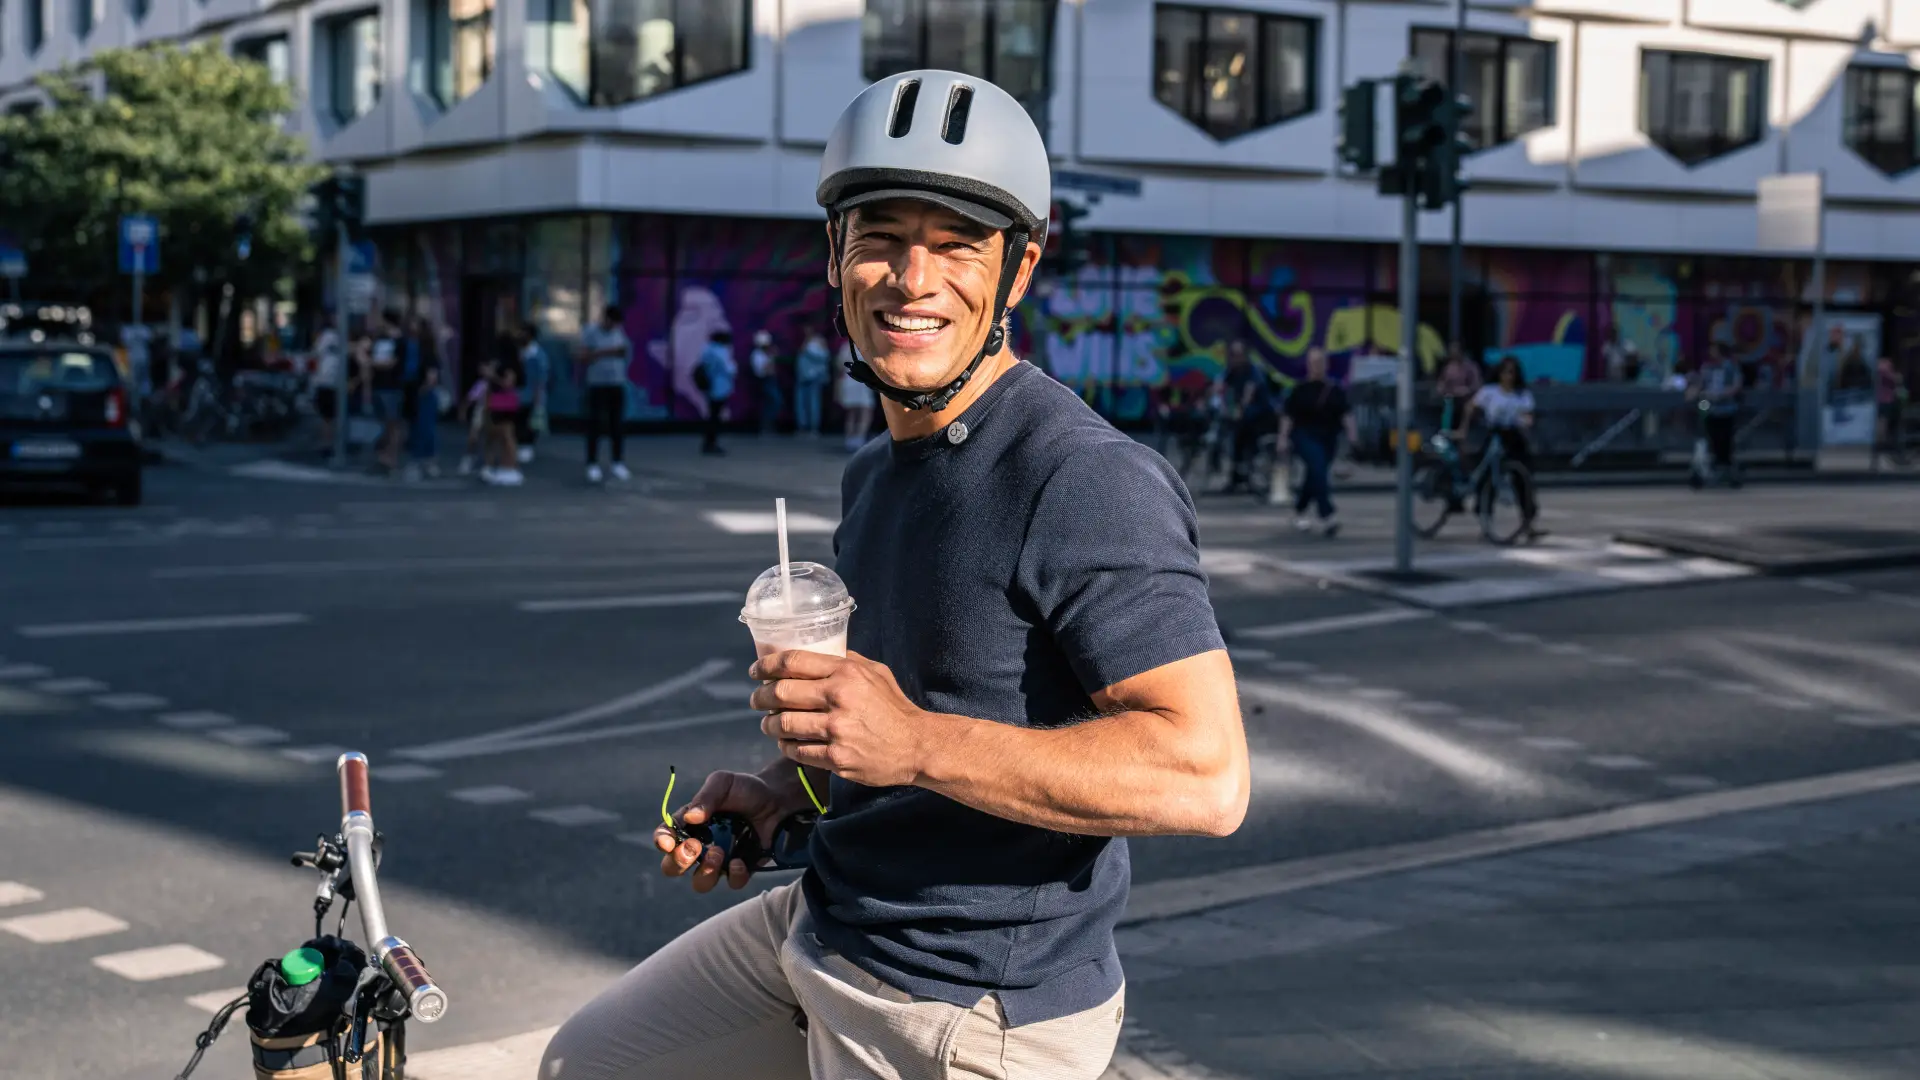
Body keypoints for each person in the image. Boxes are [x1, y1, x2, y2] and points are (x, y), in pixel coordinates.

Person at [540, 69, 1250, 1080]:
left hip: (965, 1000)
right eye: (880, 239)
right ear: (835, 258)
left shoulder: (1085, 479)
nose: (914, 280)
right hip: (831, 919)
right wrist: (785, 793)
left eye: (959, 244)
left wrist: (911, 743)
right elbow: (909, 720)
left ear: (1019, 271)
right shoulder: (877, 471)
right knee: (593, 1064)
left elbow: (1207, 776)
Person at [1456, 354, 1544, 539]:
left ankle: (1528, 522)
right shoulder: (1490, 391)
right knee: (1487, 476)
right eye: (1505, 372)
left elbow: (1528, 415)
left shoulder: (1522, 394)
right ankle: (1485, 521)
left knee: (1522, 478)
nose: (1508, 376)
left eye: (1512, 372)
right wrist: (1464, 429)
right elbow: (1470, 407)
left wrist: (1525, 421)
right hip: (1494, 434)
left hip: (1513, 435)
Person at [1280, 346, 1358, 537]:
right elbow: (1288, 416)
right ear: (1308, 365)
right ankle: (1328, 515)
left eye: (1320, 362)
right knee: (1317, 468)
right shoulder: (1300, 390)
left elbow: (1346, 415)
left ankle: (1299, 510)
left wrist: (1353, 436)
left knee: (1315, 475)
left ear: (1326, 364)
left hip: (1328, 438)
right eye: (1313, 363)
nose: (1317, 366)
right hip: (1304, 436)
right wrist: (1282, 439)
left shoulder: (1334, 390)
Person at [579, 305, 632, 483]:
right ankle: (592, 463)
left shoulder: (619, 332)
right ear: (605, 319)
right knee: (595, 424)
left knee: (617, 424)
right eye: (611, 323)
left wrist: (619, 352)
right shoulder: (591, 332)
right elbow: (583, 356)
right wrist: (606, 352)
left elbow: (625, 352)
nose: (613, 327)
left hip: (617, 383)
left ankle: (617, 462)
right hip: (597, 384)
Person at [1688, 342, 1744, 484]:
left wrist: (1722, 394)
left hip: (1727, 409)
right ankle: (1712, 466)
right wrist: (1695, 393)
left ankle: (1727, 468)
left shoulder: (1730, 367)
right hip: (1711, 409)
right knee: (1710, 437)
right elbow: (1701, 384)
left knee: (1726, 440)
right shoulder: (1708, 368)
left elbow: (1737, 385)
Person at [698, 327, 737, 456]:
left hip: (710, 386)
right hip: (720, 386)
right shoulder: (721, 351)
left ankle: (708, 442)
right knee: (715, 417)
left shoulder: (707, 350)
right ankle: (712, 443)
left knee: (712, 415)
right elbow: (729, 369)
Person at [516, 322, 550, 465]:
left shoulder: (538, 354)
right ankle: (520, 445)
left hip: (532, 392)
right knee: (520, 419)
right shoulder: (520, 351)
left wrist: (538, 394)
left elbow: (541, 377)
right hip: (519, 393)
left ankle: (527, 446)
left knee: (531, 420)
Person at [835, 335, 874, 451]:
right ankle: (859, 439)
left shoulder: (845, 347)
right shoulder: (867, 347)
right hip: (862, 382)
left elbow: (839, 366)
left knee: (852, 413)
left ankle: (850, 440)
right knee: (865, 412)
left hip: (849, 380)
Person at [794, 325, 832, 436]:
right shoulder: (803, 341)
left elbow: (825, 356)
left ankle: (813, 428)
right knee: (801, 404)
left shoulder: (819, 341)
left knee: (813, 403)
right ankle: (802, 427)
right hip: (802, 377)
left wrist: (808, 351)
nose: (806, 330)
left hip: (814, 377)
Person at [1873, 355, 1909, 470]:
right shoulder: (1884, 365)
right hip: (1886, 401)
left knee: (1884, 430)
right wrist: (1897, 377)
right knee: (1884, 430)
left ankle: (1882, 457)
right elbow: (1895, 379)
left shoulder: (1879, 365)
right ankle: (1883, 457)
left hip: (1884, 401)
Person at [751, 329, 784, 435]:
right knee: (772, 402)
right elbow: (761, 371)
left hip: (772, 380)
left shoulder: (767, 353)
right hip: (765, 381)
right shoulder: (756, 355)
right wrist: (771, 359)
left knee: (774, 403)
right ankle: (766, 427)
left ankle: (770, 426)